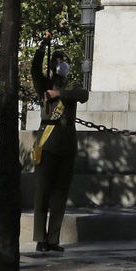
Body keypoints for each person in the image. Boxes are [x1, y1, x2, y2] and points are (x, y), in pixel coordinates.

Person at [30, 41, 90, 254]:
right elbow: (34, 70)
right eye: (59, 61)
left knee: (59, 196)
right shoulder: (43, 84)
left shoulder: (70, 86)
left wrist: (59, 94)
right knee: (42, 194)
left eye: (64, 61)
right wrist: (41, 47)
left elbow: (83, 95)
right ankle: (40, 238)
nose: (62, 65)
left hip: (67, 144)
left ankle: (53, 238)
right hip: (47, 143)